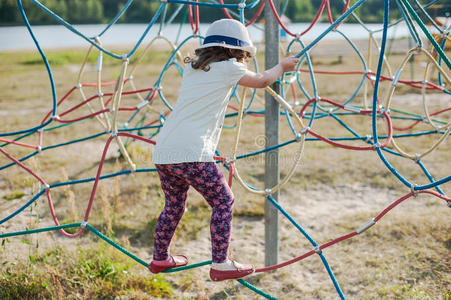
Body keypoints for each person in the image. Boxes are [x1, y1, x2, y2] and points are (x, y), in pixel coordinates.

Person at [149, 18, 299, 281]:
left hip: (165, 151)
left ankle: (160, 257)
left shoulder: (194, 68)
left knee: (173, 205)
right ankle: (221, 263)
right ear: (234, 51)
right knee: (223, 201)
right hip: (191, 153)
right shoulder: (230, 67)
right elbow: (263, 80)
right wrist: (282, 66)